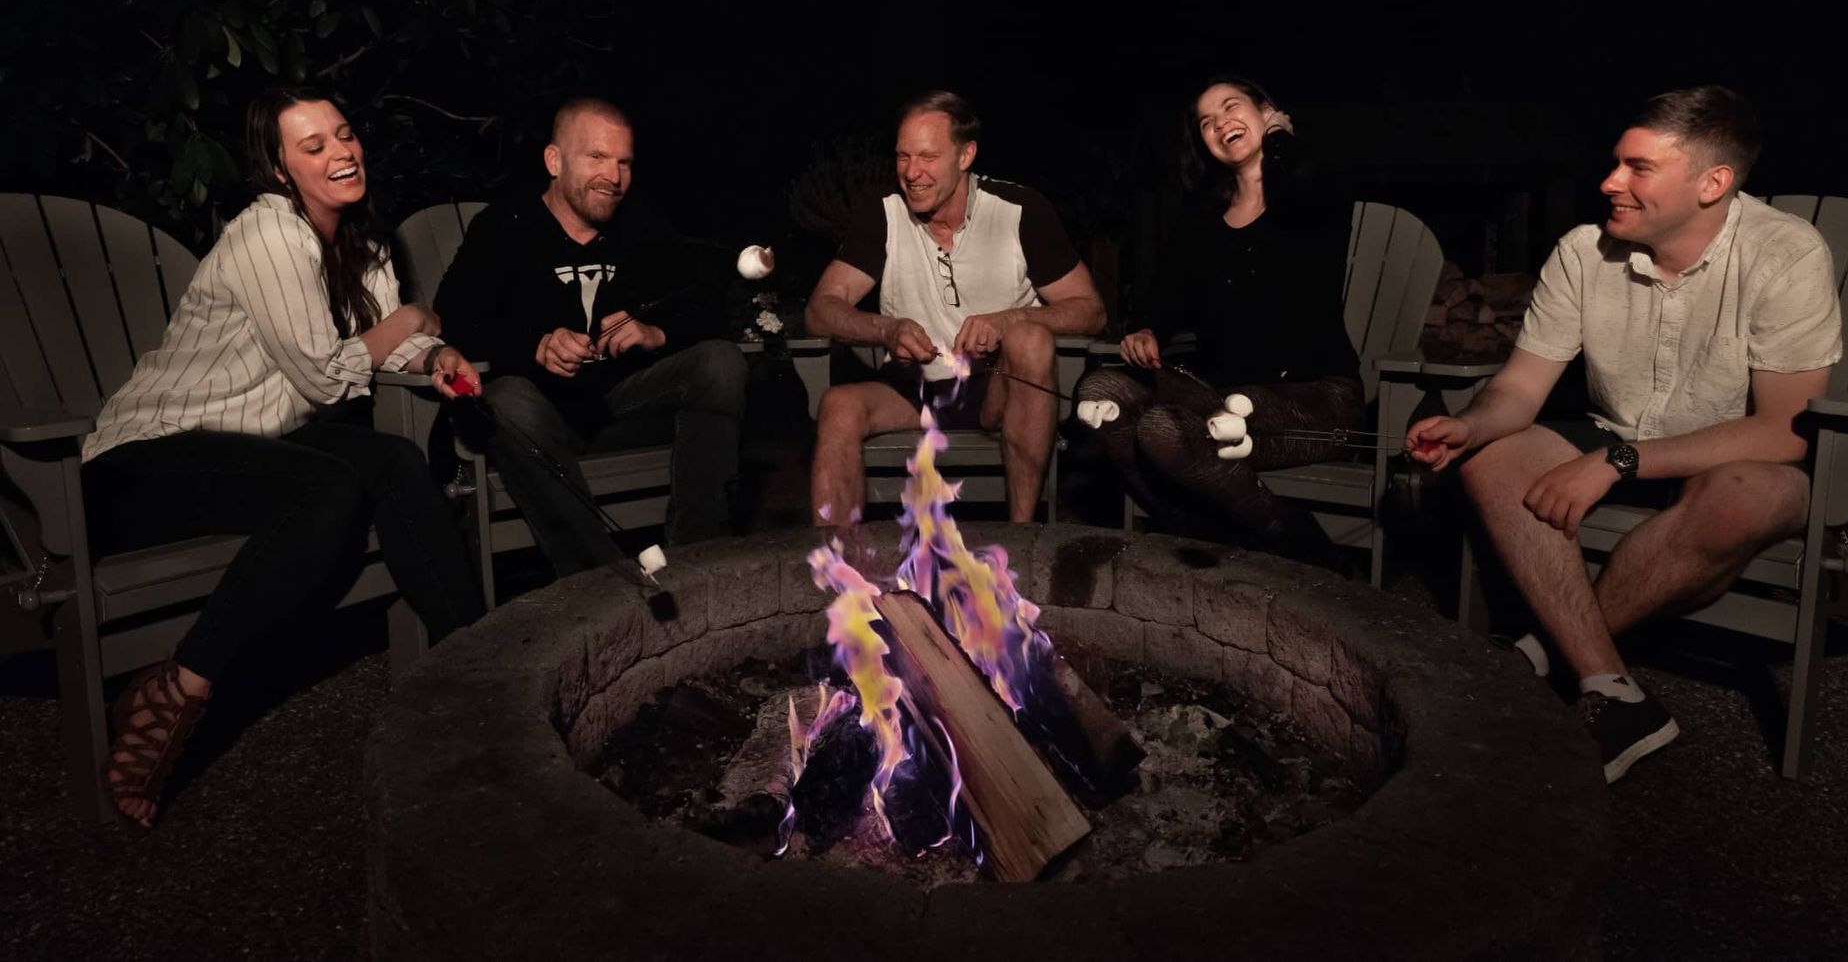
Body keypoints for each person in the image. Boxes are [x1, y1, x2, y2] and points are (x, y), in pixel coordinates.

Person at [1406, 85, 1842, 783]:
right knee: (1490, 457)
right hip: (1613, 431)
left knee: (1750, 499)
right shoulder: (1585, 252)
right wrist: (1469, 422)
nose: (1610, 182)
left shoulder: (1785, 255)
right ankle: (1612, 690)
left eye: (1639, 168)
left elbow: (1783, 432)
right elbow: (1519, 389)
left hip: (1734, 457)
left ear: (1713, 183)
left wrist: (1618, 461)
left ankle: (1535, 654)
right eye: (1617, 162)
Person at [82, 87, 487, 826]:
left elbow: (388, 336)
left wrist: (437, 350)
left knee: (393, 459)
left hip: (254, 443)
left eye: (344, 133)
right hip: (144, 460)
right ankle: (180, 690)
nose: (341, 153)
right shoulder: (268, 236)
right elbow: (329, 373)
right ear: (278, 169)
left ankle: (483, 678)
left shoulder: (360, 240)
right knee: (330, 487)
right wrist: (413, 317)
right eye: (314, 147)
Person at [434, 97, 749, 572]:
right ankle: (602, 582)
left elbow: (705, 300)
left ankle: (696, 563)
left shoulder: (641, 228)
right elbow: (454, 318)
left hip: (620, 401)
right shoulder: (504, 227)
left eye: (624, 162)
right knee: (506, 400)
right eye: (597, 158)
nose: (614, 176)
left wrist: (655, 332)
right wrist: (533, 344)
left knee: (721, 363)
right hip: (538, 414)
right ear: (554, 161)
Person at [1074, 76, 1363, 563]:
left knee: (1170, 428)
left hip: (1316, 400)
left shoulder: (1312, 190)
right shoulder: (1204, 220)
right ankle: (1201, 532)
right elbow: (1162, 299)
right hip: (1222, 396)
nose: (1220, 123)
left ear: (1267, 110)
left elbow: (1306, 179)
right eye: (1206, 122)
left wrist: (1277, 139)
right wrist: (1146, 330)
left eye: (1231, 107)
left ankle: (1302, 547)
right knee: (1100, 396)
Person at [805, 90, 1107, 523]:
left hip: (997, 387)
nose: (912, 173)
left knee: (1029, 338)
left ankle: (1021, 537)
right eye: (903, 157)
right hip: (914, 389)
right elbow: (821, 309)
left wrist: (1010, 320)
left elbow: (1090, 311)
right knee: (839, 405)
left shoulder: (1020, 211)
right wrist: (887, 330)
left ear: (965, 155)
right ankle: (840, 570)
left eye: (928, 157)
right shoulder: (885, 216)